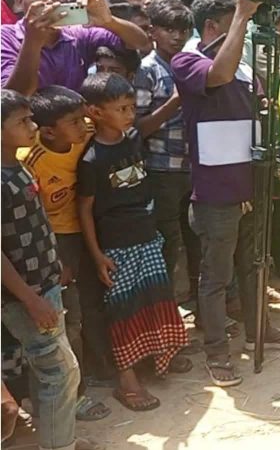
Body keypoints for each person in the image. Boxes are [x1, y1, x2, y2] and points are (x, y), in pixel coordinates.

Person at [171, 0, 280, 388]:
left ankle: (259, 328)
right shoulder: (187, 60)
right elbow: (220, 76)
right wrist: (244, 16)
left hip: (253, 182)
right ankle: (217, 351)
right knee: (216, 275)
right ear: (212, 26)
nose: (242, 31)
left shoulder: (244, 66)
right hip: (216, 190)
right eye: (234, 22)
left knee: (255, 262)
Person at [76, 72, 190, 411]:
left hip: (147, 236)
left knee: (156, 299)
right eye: (122, 109)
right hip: (117, 247)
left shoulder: (133, 139)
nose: (129, 115)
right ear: (95, 113)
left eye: (131, 108)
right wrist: (97, 256)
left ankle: (158, 357)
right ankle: (125, 380)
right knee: (123, 310)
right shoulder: (91, 159)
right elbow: (84, 211)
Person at [1, 89, 98, 450]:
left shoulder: (18, 165)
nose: (32, 126)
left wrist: (52, 262)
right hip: (24, 296)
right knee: (61, 371)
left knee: (49, 371)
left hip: (43, 284)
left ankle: (57, 435)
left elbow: (33, 225)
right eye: (22, 122)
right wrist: (30, 299)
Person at [17, 86, 112, 422]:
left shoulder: (85, 135)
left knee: (92, 306)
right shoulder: (29, 162)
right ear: (48, 131)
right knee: (67, 319)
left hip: (89, 229)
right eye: (75, 121)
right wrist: (57, 259)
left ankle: (101, 370)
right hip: (55, 242)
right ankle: (73, 396)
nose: (84, 125)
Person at [133, 0, 198, 300]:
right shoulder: (147, 71)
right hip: (161, 170)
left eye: (183, 30)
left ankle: (198, 308)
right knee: (168, 244)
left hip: (192, 167)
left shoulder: (190, 64)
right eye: (169, 30)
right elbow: (137, 129)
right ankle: (165, 316)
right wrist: (174, 102)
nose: (177, 37)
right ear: (153, 32)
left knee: (195, 239)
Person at [1, 0, 150, 96]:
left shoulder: (78, 34)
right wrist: (32, 42)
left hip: (75, 127)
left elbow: (140, 42)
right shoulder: (5, 37)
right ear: (19, 2)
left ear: (65, 0)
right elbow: (16, 94)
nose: (49, 1)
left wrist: (109, 21)